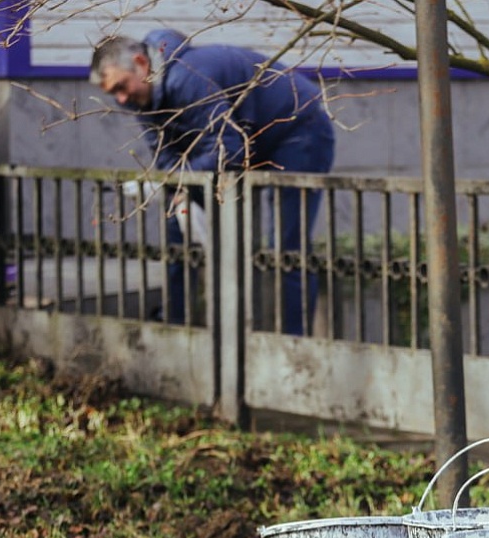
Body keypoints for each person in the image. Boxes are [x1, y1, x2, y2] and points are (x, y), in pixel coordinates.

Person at [89, 30, 335, 334]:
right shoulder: (142, 99)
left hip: (297, 130)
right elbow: (164, 157)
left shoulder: (187, 78)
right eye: (113, 93)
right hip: (248, 139)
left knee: (286, 246)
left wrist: (178, 180)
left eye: (121, 87)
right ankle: (177, 326)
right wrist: (177, 185)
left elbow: (227, 150)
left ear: (141, 63)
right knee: (178, 227)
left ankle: (293, 343)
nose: (121, 99)